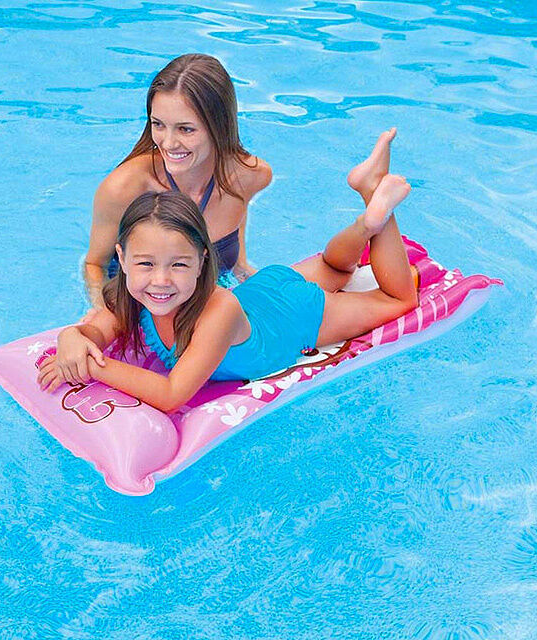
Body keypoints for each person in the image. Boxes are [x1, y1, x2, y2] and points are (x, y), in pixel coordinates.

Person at [39, 165, 418, 413]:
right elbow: (94, 331)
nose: (160, 280)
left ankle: (378, 215)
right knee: (335, 267)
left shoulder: (217, 311)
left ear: (202, 260)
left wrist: (92, 365)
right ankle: (364, 216)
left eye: (179, 265)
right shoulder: (130, 294)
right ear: (121, 259)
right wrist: (73, 338)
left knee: (399, 299)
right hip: (262, 289)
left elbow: (171, 394)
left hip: (294, 318)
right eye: (145, 264)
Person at [84, 53, 272, 308]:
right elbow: (95, 265)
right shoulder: (125, 189)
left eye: (185, 129)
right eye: (158, 124)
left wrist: (245, 274)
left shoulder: (249, 176)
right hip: (140, 305)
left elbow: (236, 246)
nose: (169, 143)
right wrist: (105, 312)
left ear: (219, 126)